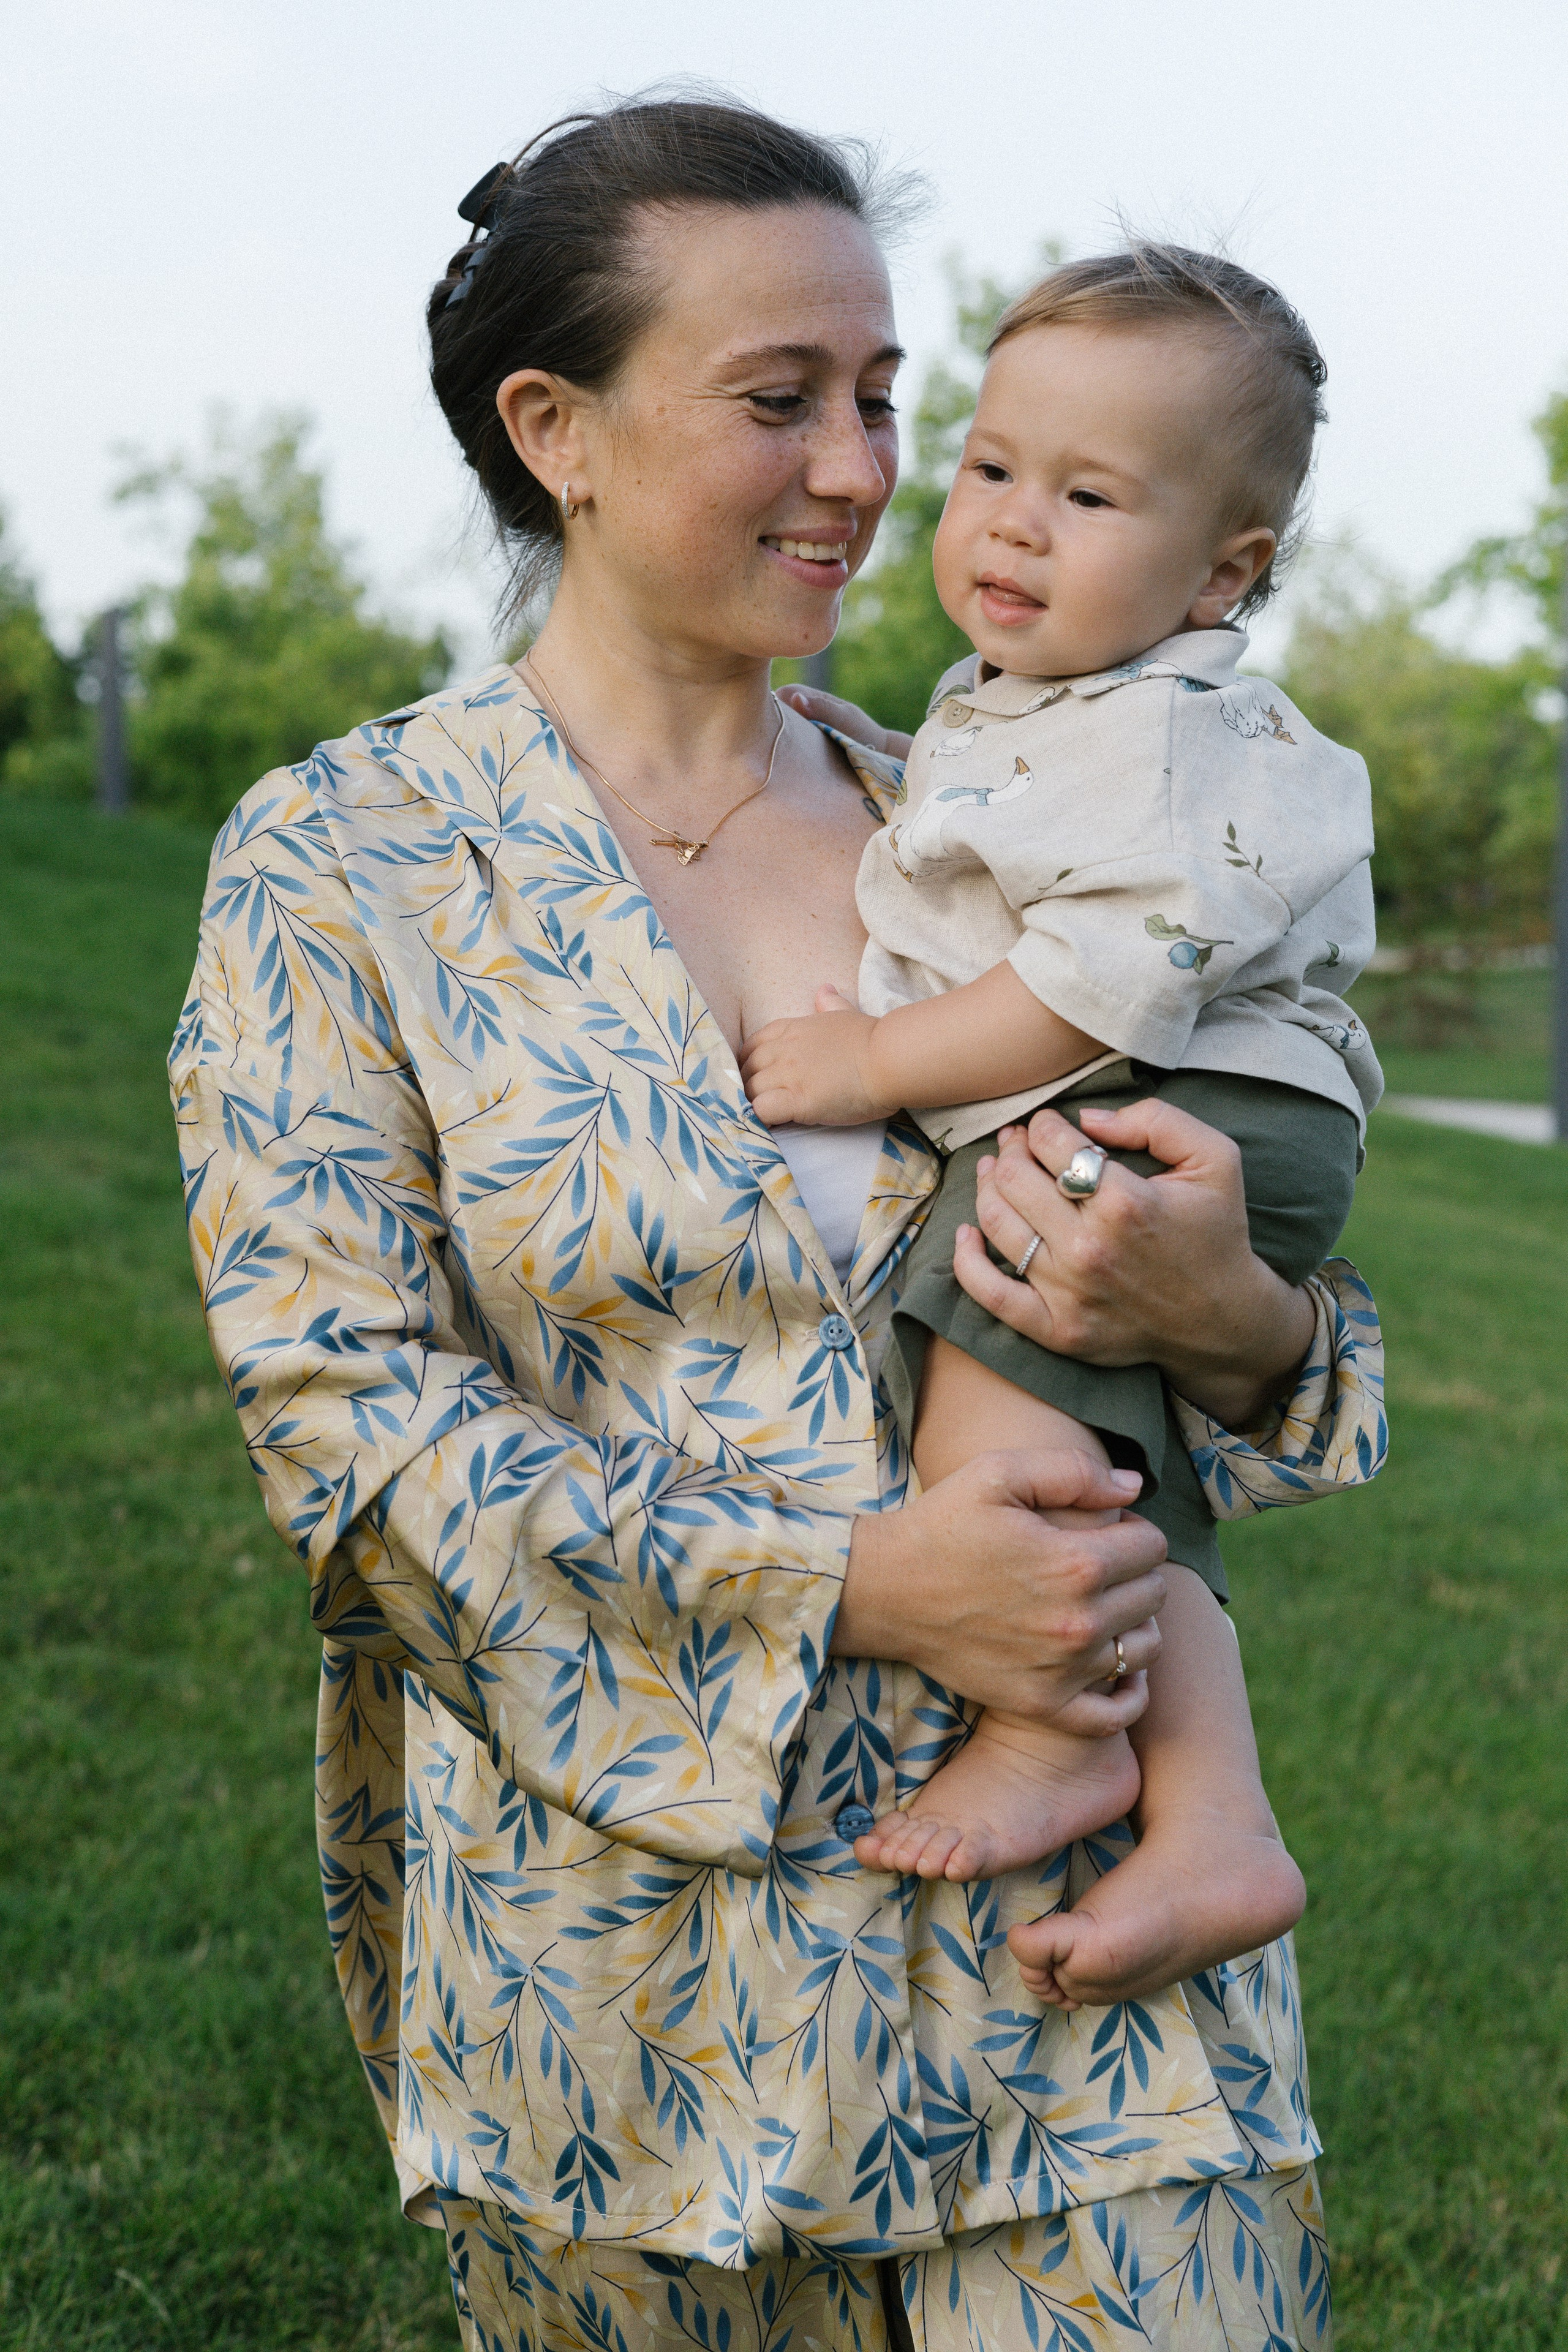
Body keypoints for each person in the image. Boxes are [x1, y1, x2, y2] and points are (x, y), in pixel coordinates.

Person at [172, 97, 1381, 2351]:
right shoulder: (349, 863)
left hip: (1094, 1968)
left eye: (884, 399)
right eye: (780, 400)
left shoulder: (1013, 814)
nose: (863, 468)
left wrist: (1239, 1314)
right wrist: (862, 1581)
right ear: (561, 431)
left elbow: (1277, 1310)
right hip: (634, 2007)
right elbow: (345, 1427)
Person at [742, 246, 1381, 2008]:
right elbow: (992, 853)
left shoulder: (1170, 738)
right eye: (992, 469)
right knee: (1117, 1449)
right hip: (1166, 1092)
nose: (1011, 526)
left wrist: (875, 1066)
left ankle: (1057, 1728)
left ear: (1220, 573)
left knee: (996, 1393)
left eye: (1088, 496)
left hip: (1193, 1097)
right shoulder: (1041, 706)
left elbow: (1100, 983)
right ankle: (1218, 1814)